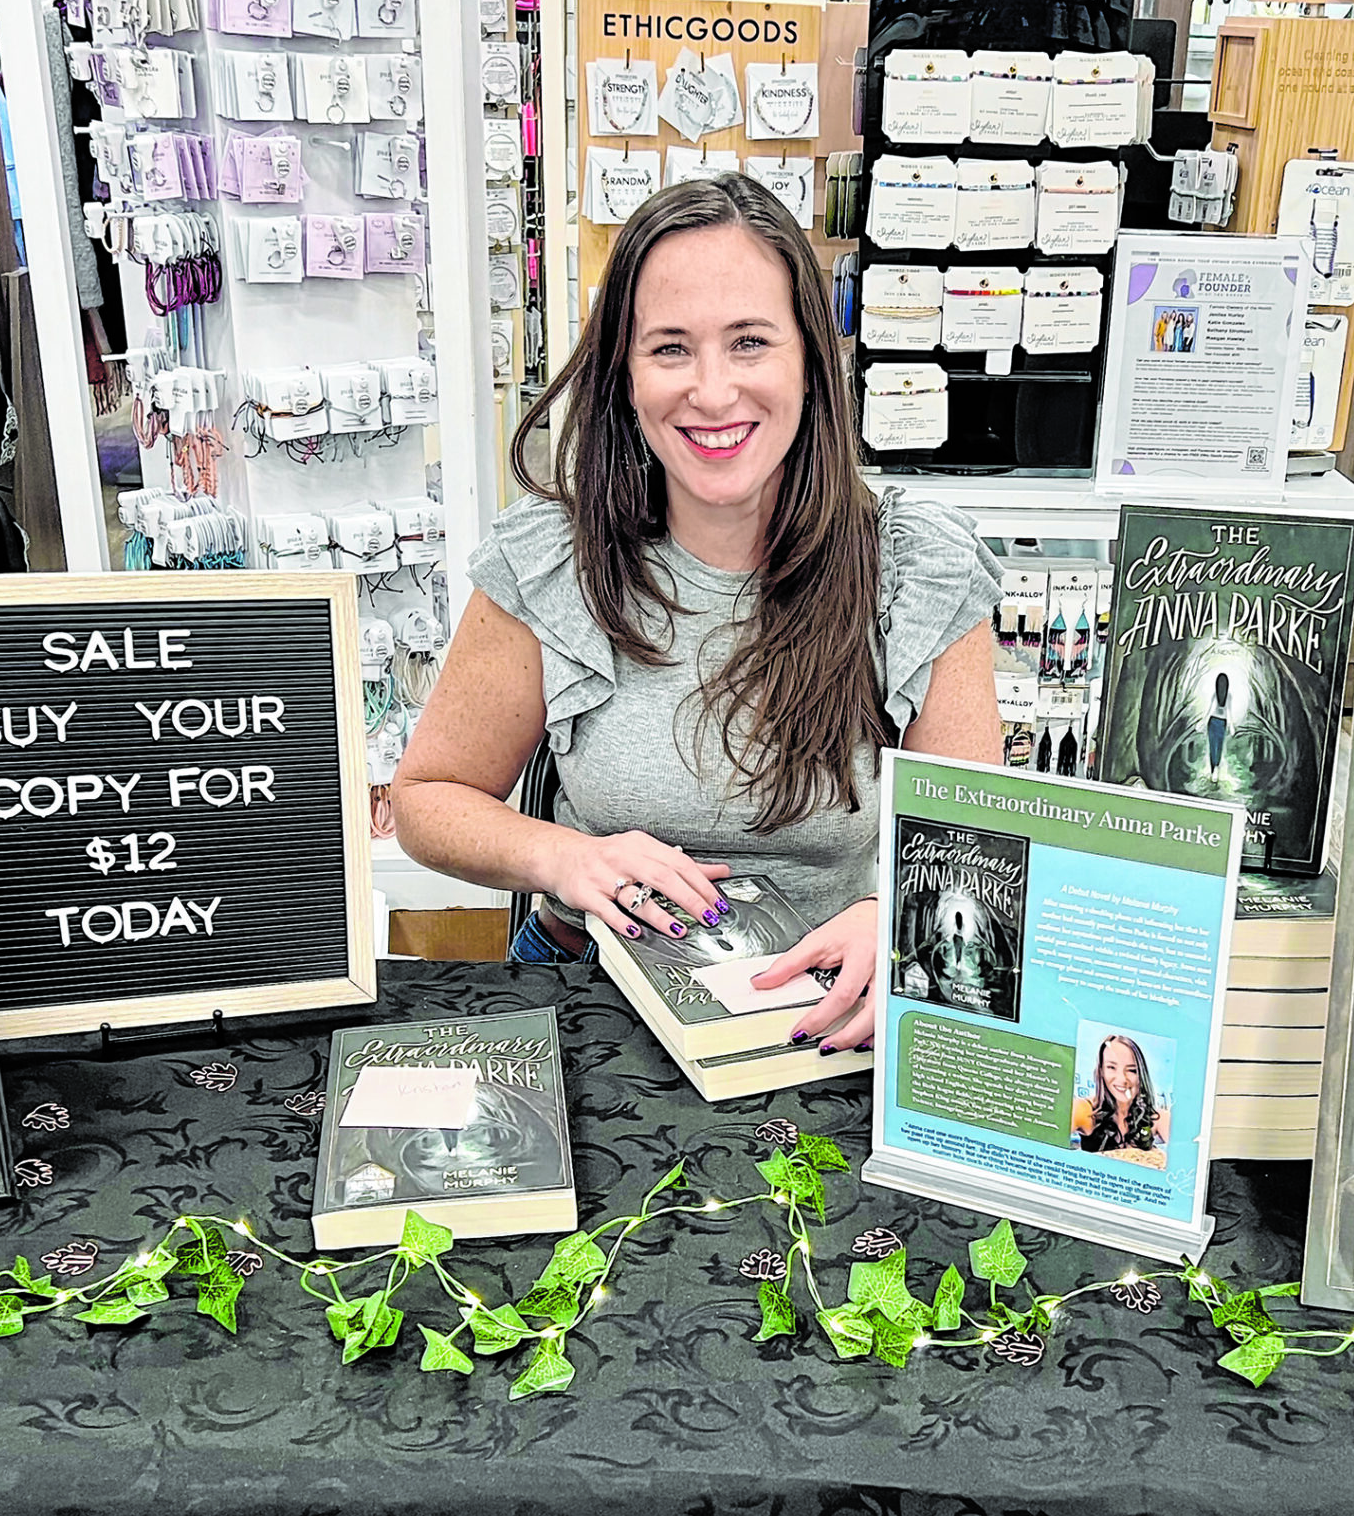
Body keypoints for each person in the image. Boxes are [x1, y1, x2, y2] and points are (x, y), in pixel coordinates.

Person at [392, 175, 1003, 1055]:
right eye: (670, 349)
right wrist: (564, 858)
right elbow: (426, 799)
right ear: (625, 379)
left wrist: (894, 921)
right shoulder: (552, 557)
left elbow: (977, 846)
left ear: (809, 361)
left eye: (750, 342)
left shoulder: (914, 566)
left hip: (834, 1014)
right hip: (587, 1000)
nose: (713, 394)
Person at [1072, 1034, 1169, 1161]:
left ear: (1141, 1075)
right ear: (1101, 1071)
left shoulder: (1156, 1118)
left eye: (1132, 1070)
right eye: (1111, 1068)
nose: (1122, 1079)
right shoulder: (1085, 1110)